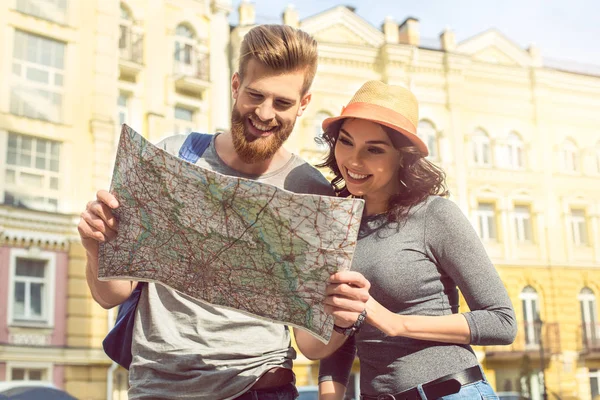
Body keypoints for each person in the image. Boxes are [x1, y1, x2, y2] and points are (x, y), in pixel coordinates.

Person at [78, 24, 369, 400]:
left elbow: (311, 346)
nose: (264, 114)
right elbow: (112, 294)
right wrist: (93, 247)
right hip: (158, 387)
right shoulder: (171, 155)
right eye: (254, 95)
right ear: (235, 86)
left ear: (304, 104)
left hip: (262, 387)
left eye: (282, 103)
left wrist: (343, 320)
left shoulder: (312, 192)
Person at [316, 80, 518, 400]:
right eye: (346, 142)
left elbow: (502, 322)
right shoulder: (339, 226)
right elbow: (343, 329)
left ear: (402, 157)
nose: (354, 161)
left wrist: (397, 324)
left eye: (374, 149)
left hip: (449, 391)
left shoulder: (435, 216)